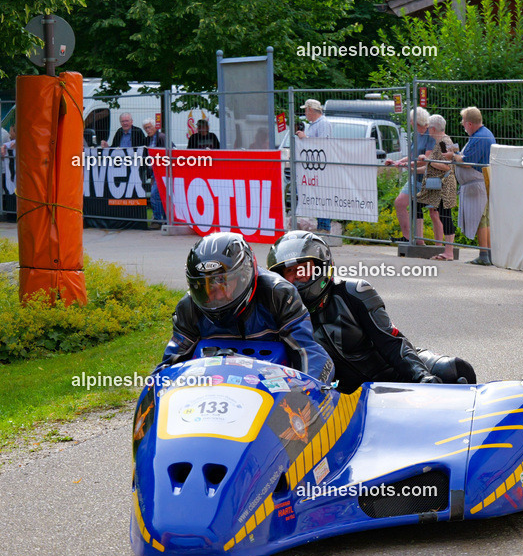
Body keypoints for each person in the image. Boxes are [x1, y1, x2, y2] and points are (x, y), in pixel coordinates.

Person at [267, 230, 476, 394]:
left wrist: (422, 377)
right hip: (341, 391)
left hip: (392, 375)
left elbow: (392, 342)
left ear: (322, 267)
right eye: (289, 272)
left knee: (456, 370)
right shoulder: (279, 312)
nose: (295, 278)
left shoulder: (354, 292)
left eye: (302, 269)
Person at [159, 232, 335, 383]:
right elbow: (169, 366)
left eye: (223, 282)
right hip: (213, 391)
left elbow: (308, 352)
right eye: (207, 287)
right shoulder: (189, 307)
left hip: (276, 391)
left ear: (244, 275)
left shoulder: (278, 294)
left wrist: (305, 393)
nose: (217, 296)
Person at [384, 107, 440, 245]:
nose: (409, 123)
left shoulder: (430, 134)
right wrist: (398, 162)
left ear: (416, 121)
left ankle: (436, 244)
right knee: (400, 203)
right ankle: (409, 238)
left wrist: (407, 164)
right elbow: (411, 156)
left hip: (428, 179)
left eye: (410, 120)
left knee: (432, 212)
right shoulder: (416, 134)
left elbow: (425, 159)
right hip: (415, 177)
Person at [452, 106, 496, 266]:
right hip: (479, 184)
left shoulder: (480, 137)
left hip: (477, 185)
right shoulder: (483, 134)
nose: (463, 125)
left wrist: (453, 156)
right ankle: (487, 253)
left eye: (463, 122)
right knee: (483, 219)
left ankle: (484, 254)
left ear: (469, 124)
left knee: (481, 220)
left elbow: (466, 162)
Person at [416, 114, 458, 261]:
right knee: (419, 204)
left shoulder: (444, 142)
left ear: (433, 128)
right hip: (439, 185)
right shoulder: (443, 141)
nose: (427, 130)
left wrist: (428, 160)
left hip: (444, 185)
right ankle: (420, 240)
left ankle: (448, 252)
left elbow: (447, 166)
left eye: (429, 128)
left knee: (445, 216)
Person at [295, 99, 332, 233]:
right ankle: (321, 226)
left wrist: (305, 138)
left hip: (320, 167)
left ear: (310, 110)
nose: (305, 113)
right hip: (314, 167)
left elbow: (323, 144)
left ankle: (325, 228)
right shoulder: (314, 124)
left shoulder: (323, 124)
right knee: (317, 196)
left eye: (305, 110)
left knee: (322, 195)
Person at [142, 119, 166, 228]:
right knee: (158, 195)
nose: (148, 130)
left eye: (149, 127)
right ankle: (162, 219)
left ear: (154, 127)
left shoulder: (161, 137)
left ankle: (158, 219)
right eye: (146, 128)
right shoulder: (147, 140)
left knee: (155, 195)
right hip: (154, 172)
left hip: (162, 171)